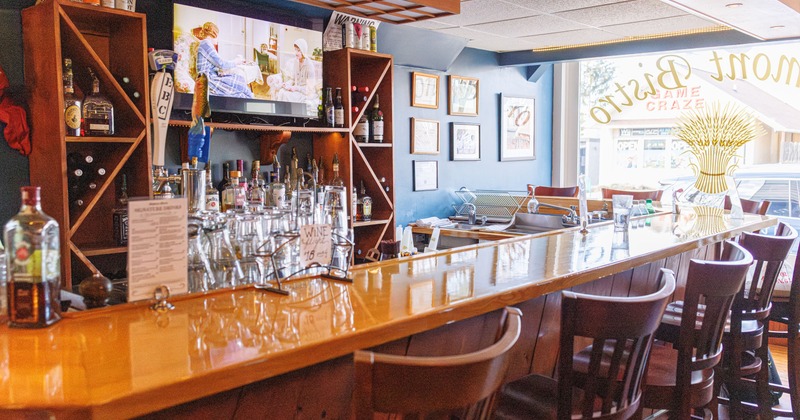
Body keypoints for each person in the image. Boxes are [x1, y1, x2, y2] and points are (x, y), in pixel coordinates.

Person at [192, 22, 254, 99]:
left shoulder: (206, 44)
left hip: (211, 75)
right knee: (240, 85)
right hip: (208, 79)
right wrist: (236, 61)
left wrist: (222, 71)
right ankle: (249, 100)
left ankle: (249, 99)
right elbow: (221, 64)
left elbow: (215, 64)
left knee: (239, 79)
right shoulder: (205, 43)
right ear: (214, 34)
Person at [269, 38, 317, 104]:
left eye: (299, 51)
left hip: (305, 93)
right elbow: (293, 79)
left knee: (286, 95)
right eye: (295, 50)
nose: (296, 53)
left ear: (303, 51)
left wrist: (296, 88)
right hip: (297, 90)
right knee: (281, 91)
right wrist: (287, 84)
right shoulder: (296, 61)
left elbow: (310, 89)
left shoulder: (309, 65)